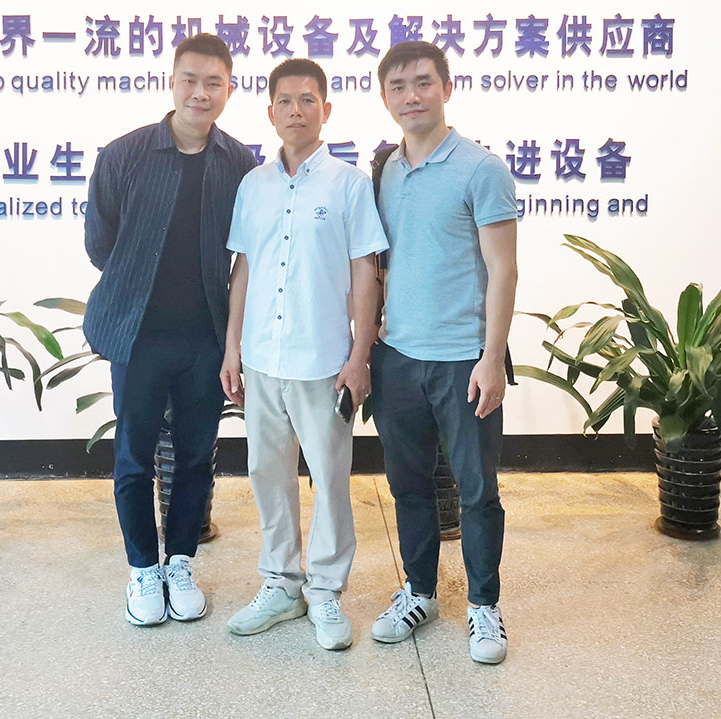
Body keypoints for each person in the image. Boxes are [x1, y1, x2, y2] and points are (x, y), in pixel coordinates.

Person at [83, 32, 257, 627]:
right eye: (190, 80)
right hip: (138, 336)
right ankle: (142, 568)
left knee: (195, 456)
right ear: (172, 81)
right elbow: (100, 243)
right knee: (133, 456)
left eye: (213, 83)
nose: (200, 93)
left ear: (229, 90)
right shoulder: (125, 155)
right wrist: (137, 285)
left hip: (204, 338)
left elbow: (245, 253)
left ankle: (179, 562)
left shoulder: (239, 164)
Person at [220, 58, 387, 651]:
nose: (297, 110)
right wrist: (233, 347)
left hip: (323, 361)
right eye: (286, 101)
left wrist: (359, 354)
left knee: (330, 479)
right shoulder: (253, 185)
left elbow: (365, 271)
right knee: (266, 473)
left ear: (326, 109)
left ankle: (325, 590)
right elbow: (243, 269)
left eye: (308, 99)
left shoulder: (348, 184)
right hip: (263, 358)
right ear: (270, 112)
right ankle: (280, 582)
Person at [368, 40, 519, 664]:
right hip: (397, 358)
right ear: (385, 97)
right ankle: (420, 592)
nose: (412, 96)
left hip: (464, 359)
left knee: (476, 490)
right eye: (398, 86)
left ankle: (484, 606)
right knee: (407, 485)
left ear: (447, 88)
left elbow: (503, 269)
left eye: (424, 83)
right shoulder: (385, 169)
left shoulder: (481, 169)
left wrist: (493, 357)